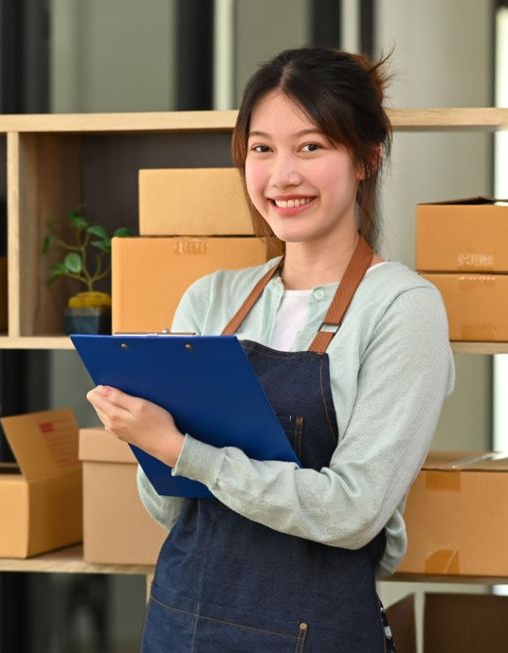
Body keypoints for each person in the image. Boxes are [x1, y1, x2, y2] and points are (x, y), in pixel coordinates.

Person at [87, 47, 454, 652]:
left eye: (310, 147)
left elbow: (352, 512)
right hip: (181, 626)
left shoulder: (402, 308)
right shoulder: (210, 300)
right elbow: (172, 513)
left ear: (367, 157)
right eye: (262, 148)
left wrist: (180, 449)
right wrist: (142, 437)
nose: (282, 175)